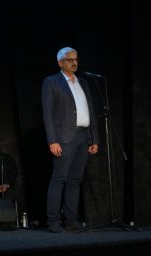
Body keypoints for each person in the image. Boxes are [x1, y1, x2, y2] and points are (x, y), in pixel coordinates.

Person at [41, 47, 99, 233]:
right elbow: (48, 114)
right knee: (59, 179)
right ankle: (53, 221)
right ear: (60, 63)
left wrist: (94, 138)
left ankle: (71, 220)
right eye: (69, 59)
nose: (74, 62)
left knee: (75, 180)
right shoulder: (51, 82)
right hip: (64, 138)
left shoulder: (83, 82)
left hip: (83, 136)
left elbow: (90, 111)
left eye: (76, 59)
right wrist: (53, 140)